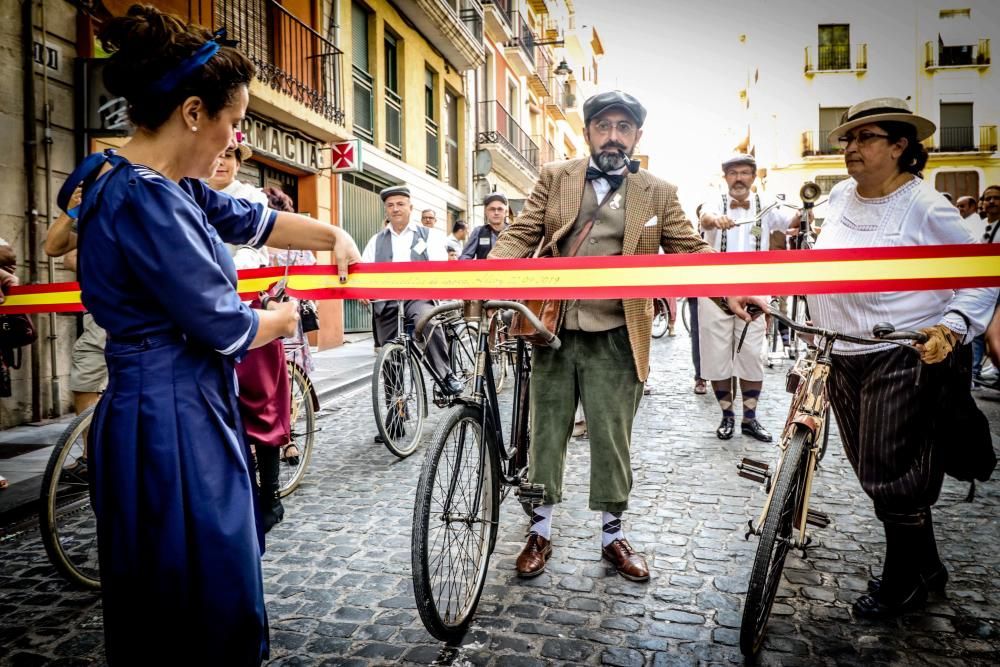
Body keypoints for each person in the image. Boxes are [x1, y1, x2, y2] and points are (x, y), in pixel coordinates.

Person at [72, 6, 360, 664]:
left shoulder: (159, 185)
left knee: (185, 585)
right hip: (168, 417)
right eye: (234, 123)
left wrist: (332, 235)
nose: (235, 142)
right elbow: (224, 324)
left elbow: (251, 221)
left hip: (178, 404)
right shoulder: (145, 197)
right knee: (196, 593)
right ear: (194, 112)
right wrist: (290, 318)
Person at [489, 90, 766, 582]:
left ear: (637, 136)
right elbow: (522, 233)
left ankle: (612, 537)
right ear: (589, 131)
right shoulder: (556, 177)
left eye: (623, 127)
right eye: (603, 125)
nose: (612, 135)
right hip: (553, 331)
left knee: (612, 439)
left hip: (619, 333)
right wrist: (490, 275)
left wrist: (732, 288)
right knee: (546, 435)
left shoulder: (657, 191)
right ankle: (540, 530)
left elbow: (691, 247)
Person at [809, 97, 997, 618]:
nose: (850, 147)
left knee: (889, 473)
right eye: (847, 138)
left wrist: (954, 327)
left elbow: (979, 275)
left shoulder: (926, 206)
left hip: (902, 351)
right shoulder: (842, 196)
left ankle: (902, 583)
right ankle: (928, 567)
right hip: (843, 351)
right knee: (876, 467)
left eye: (865, 138)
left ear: (899, 147)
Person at [206, 139, 290, 533]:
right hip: (201, 308)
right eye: (217, 153)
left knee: (260, 400)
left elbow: (260, 251)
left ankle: (270, 494)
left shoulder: (250, 199)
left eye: (229, 156)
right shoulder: (186, 190)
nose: (221, 162)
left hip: (248, 307)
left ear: (238, 162)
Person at [697, 154, 799, 442]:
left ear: (753, 177)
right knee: (718, 358)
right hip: (714, 292)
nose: (738, 178)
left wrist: (804, 210)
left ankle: (750, 419)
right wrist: (716, 220)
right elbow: (704, 216)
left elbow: (791, 220)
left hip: (755, 292)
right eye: (733, 173)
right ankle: (727, 416)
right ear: (725, 177)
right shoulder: (715, 200)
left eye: (744, 173)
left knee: (751, 356)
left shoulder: (765, 205)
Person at [360, 185, 464, 403]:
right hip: (386, 301)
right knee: (389, 357)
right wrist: (362, 291)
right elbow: (363, 272)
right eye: (390, 205)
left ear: (410, 207)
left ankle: (445, 376)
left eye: (400, 204)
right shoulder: (376, 241)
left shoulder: (429, 236)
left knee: (427, 321)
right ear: (386, 210)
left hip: (417, 297)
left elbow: (438, 266)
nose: (395, 209)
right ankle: (395, 409)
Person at [971, 184, 1000, 385]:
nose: (990, 202)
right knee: (978, 333)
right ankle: (974, 373)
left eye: (996, 198)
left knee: (992, 336)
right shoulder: (980, 226)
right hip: (983, 286)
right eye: (987, 198)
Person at [460, 192, 509, 259]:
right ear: (486, 212)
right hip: (485, 269)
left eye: (500, 209)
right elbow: (465, 256)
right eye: (492, 209)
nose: (496, 213)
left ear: (506, 212)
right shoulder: (478, 232)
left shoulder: (514, 231)